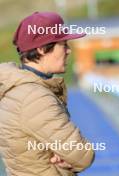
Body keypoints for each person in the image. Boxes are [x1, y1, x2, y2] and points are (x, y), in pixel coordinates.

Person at [0, 12, 94, 176]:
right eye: (63, 44)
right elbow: (82, 155)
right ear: (42, 49)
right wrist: (68, 158)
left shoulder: (16, 88)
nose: (68, 51)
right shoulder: (35, 97)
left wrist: (62, 153)